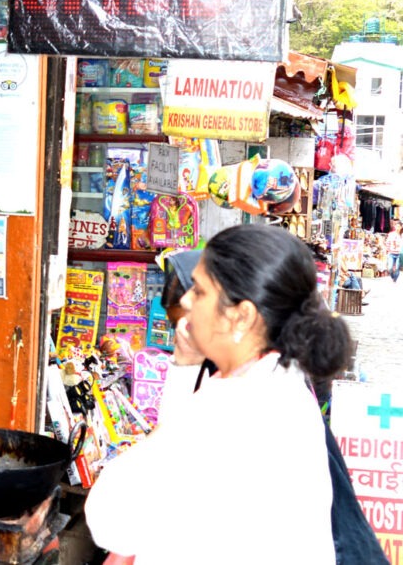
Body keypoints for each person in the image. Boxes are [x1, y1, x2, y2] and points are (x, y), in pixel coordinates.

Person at [86, 224, 352, 564]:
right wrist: (185, 367)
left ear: (240, 316)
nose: (185, 301)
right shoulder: (275, 381)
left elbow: (111, 517)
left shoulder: (239, 407)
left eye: (199, 291)